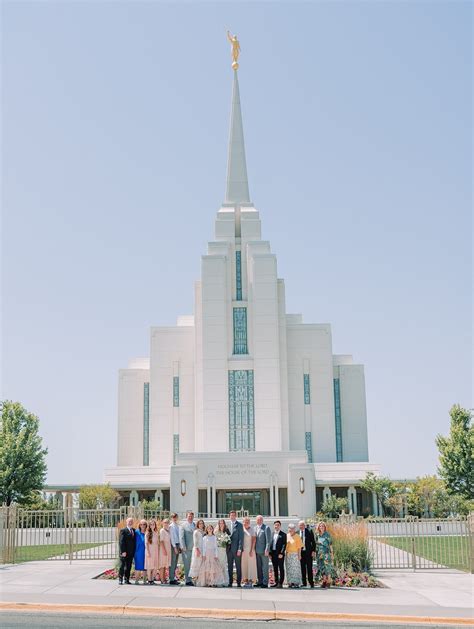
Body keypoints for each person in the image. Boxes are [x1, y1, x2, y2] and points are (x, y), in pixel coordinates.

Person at [227, 510, 243, 587]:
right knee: (229, 567)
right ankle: (230, 582)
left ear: (235, 516)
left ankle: (239, 582)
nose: (232, 516)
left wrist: (239, 549)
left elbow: (241, 538)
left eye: (234, 515)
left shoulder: (239, 525)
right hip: (229, 550)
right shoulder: (227, 525)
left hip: (237, 550)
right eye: (231, 515)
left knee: (238, 566)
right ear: (229, 516)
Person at [315, 521, 334, 588]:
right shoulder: (317, 535)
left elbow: (330, 544)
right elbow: (316, 545)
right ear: (318, 527)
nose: (321, 527)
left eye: (323, 526)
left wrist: (332, 554)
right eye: (320, 526)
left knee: (327, 568)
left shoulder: (327, 535)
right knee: (321, 568)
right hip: (319, 554)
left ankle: (328, 581)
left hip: (326, 553)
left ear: (325, 527)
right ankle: (324, 581)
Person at [254, 515, 271, 588]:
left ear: (262, 520)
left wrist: (267, 550)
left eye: (260, 519)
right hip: (257, 551)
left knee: (265, 568)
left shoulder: (266, 528)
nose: (259, 521)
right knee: (259, 567)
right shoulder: (255, 528)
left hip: (264, 552)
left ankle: (265, 583)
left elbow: (268, 541)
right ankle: (260, 581)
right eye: (257, 520)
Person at [298, 519, 316, 588]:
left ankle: (311, 582)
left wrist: (313, 551)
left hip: (308, 553)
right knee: (302, 568)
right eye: (300, 525)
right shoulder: (297, 533)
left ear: (304, 525)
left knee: (309, 568)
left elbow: (313, 542)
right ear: (298, 526)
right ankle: (304, 583)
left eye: (302, 525)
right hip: (301, 553)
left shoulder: (309, 531)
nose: (301, 526)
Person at [118, 517, 136, 585]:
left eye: (131, 521)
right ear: (126, 522)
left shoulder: (134, 530)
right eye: (129, 521)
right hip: (124, 553)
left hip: (131, 552)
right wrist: (123, 551)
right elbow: (121, 542)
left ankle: (126, 579)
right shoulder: (123, 530)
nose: (130, 522)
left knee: (129, 566)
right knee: (122, 566)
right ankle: (120, 579)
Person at [180, 511, 196, 586]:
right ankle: (187, 580)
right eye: (189, 516)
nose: (190, 517)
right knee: (187, 565)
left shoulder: (195, 525)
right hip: (186, 549)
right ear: (187, 517)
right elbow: (181, 537)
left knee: (193, 565)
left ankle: (192, 579)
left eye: (192, 516)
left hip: (194, 549)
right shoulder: (183, 525)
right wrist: (183, 547)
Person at [270, 520, 287, 588]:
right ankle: (276, 582)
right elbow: (270, 544)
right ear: (274, 526)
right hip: (273, 553)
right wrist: (270, 553)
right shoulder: (272, 534)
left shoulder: (283, 534)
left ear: (280, 526)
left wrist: (281, 553)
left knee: (281, 568)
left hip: (280, 554)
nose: (276, 526)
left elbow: (284, 545)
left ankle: (281, 583)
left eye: (278, 525)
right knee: (275, 568)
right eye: (275, 525)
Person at [285, 523, 303, 588]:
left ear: (294, 529)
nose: (291, 530)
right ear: (288, 529)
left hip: (295, 554)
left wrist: (299, 555)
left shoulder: (297, 536)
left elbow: (299, 547)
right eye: (290, 528)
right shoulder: (287, 535)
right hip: (288, 554)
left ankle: (296, 583)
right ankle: (290, 582)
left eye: (292, 528)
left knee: (295, 569)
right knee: (289, 569)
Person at [241, 516, 256, 587]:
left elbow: (254, 540)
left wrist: (251, 550)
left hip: (250, 550)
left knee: (251, 565)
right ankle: (245, 580)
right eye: (245, 522)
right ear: (243, 522)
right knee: (244, 565)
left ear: (249, 523)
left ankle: (250, 580)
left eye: (247, 522)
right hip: (243, 551)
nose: (246, 523)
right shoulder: (241, 529)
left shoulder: (252, 530)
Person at [215, 519, 230, 586]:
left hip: (224, 550)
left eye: (222, 523)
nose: (221, 524)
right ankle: (218, 581)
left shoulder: (226, 531)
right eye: (220, 523)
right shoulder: (216, 531)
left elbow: (229, 540)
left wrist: (226, 542)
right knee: (218, 565)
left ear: (224, 524)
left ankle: (225, 581)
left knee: (224, 565)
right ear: (218, 524)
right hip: (218, 550)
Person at [145, 518, 160, 585]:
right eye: (151, 524)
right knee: (149, 566)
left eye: (153, 524)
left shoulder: (156, 533)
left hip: (155, 551)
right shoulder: (147, 533)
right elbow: (146, 544)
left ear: (155, 525)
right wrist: (148, 552)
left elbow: (158, 543)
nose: (152, 526)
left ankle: (152, 579)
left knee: (155, 566)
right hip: (150, 551)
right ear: (149, 526)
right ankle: (149, 580)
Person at [169, 512, 181, 585]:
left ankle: (174, 578)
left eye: (175, 517)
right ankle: (171, 579)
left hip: (178, 544)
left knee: (176, 562)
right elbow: (172, 538)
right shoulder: (171, 526)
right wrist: (175, 547)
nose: (174, 518)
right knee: (172, 562)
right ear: (171, 518)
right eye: (173, 517)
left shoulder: (178, 526)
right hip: (174, 545)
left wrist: (179, 546)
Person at [133, 519, 147, 584]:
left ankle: (144, 581)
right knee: (138, 566)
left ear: (146, 525)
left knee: (145, 567)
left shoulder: (148, 532)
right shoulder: (136, 532)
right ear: (139, 525)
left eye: (144, 524)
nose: (142, 525)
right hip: (138, 552)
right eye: (141, 524)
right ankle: (136, 580)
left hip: (146, 552)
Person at [158, 518, 172, 584]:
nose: (166, 524)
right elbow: (161, 541)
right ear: (162, 523)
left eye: (167, 522)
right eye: (165, 522)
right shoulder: (162, 530)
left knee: (165, 565)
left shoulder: (168, 530)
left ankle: (164, 579)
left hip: (168, 549)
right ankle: (162, 580)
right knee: (162, 565)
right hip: (163, 549)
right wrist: (164, 550)